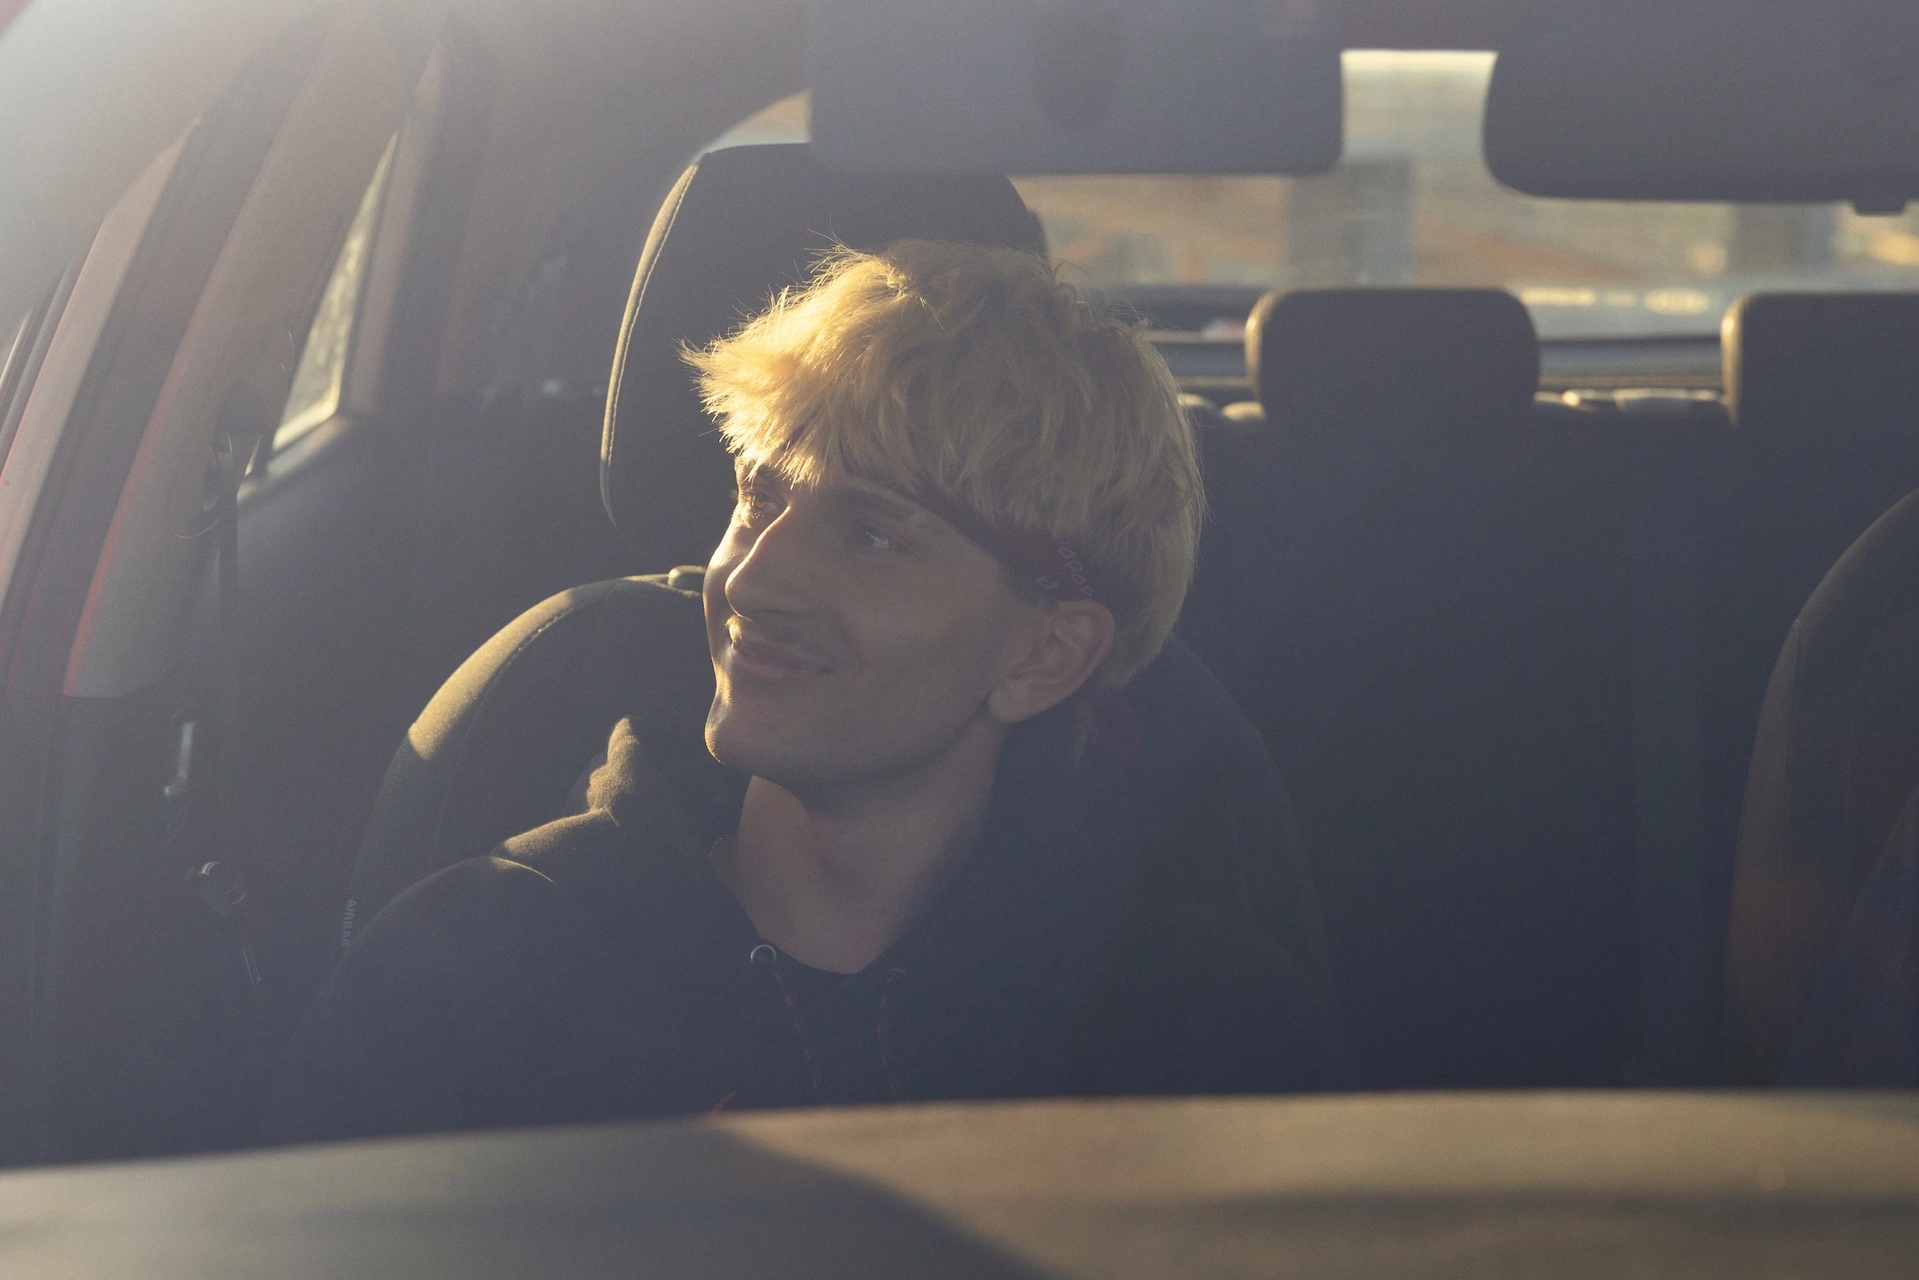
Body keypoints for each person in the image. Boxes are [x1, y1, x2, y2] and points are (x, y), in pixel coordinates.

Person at [265, 240, 1349, 1143]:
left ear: (1043, 655)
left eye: (872, 534)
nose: (749, 579)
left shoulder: (1191, 1029)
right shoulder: (476, 969)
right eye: (757, 497)